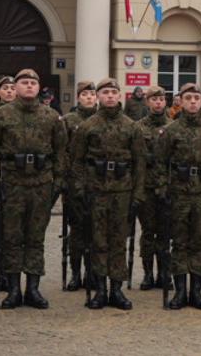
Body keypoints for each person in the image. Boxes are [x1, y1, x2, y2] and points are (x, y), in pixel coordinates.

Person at [0, 68, 65, 309]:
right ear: (16, 87)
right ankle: (14, 289)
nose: (29, 86)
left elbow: (61, 152)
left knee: (35, 237)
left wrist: (57, 183)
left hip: (41, 183)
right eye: (24, 82)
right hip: (12, 183)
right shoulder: (0, 116)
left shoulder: (52, 117)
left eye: (33, 83)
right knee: (12, 237)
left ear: (39, 88)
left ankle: (33, 289)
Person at [70, 79, 142, 310]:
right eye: (105, 92)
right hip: (96, 191)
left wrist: (137, 196)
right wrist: (80, 190)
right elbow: (77, 162)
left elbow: (139, 164)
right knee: (98, 240)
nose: (110, 96)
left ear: (120, 96)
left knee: (119, 241)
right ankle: (100, 289)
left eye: (113, 92)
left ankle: (116, 290)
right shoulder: (87, 126)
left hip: (122, 191)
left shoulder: (132, 127)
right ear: (98, 96)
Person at [150, 83, 201, 310]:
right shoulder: (170, 131)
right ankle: (180, 290)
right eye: (188, 98)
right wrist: (162, 189)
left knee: (199, 241)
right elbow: (160, 162)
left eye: (196, 98)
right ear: (180, 101)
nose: (193, 102)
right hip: (179, 193)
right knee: (180, 242)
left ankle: (197, 291)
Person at [59, 81, 99, 293]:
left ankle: (91, 272)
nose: (89, 98)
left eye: (92, 94)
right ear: (78, 98)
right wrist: (66, 181)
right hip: (75, 184)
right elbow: (63, 151)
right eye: (85, 94)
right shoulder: (68, 120)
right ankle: (75, 273)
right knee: (76, 232)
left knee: (95, 231)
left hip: (98, 184)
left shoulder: (101, 120)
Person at [133, 87, 170, 288]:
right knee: (148, 232)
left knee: (165, 233)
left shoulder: (173, 127)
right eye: (154, 99)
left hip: (166, 188)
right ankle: (148, 274)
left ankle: (164, 273)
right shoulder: (137, 128)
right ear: (147, 102)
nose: (158, 102)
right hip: (146, 187)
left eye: (161, 99)